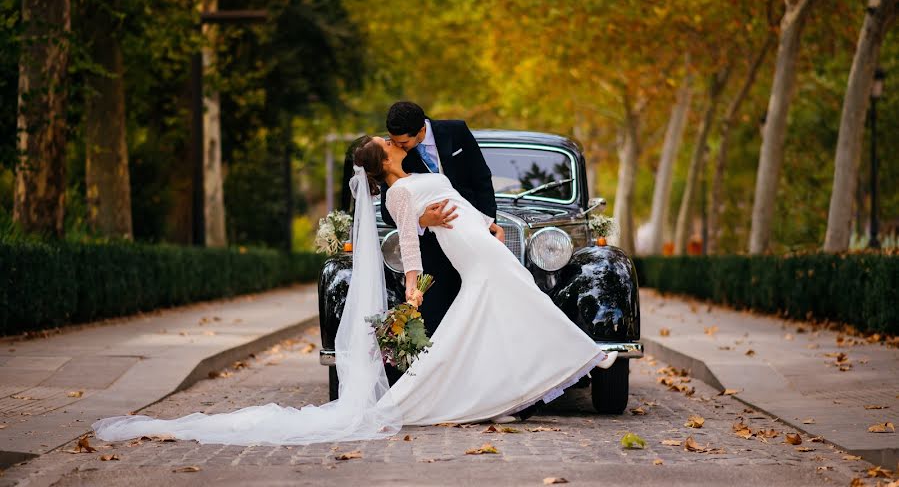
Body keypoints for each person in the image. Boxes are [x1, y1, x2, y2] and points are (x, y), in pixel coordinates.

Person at [91, 136, 615, 446]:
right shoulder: (399, 194)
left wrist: (490, 223)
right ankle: (585, 353)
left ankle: (513, 382)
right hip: (470, 254)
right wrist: (412, 286)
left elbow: (458, 202)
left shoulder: (420, 174)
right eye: (390, 143)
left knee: (506, 301)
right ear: (384, 160)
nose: (396, 141)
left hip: (485, 242)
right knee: (511, 299)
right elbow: (410, 241)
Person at [381, 101, 498, 333]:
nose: (396, 146)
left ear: (421, 131)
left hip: (471, 241)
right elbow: (388, 212)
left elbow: (482, 179)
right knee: (436, 321)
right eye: (393, 140)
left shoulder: (456, 131)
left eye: (402, 142)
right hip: (432, 253)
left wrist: (487, 224)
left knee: (482, 313)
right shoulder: (392, 159)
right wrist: (423, 221)